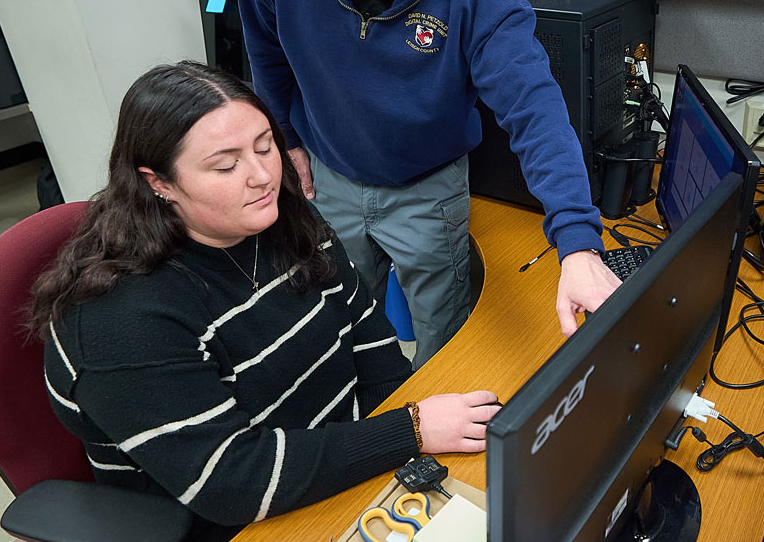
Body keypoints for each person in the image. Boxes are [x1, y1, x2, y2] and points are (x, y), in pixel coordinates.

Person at [29, 62, 500, 542]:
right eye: (226, 165)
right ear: (159, 183)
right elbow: (233, 482)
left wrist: (410, 465)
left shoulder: (289, 224)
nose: (262, 176)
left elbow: (372, 345)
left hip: (338, 477)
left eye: (265, 146)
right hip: (235, 522)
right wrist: (410, 430)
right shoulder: (118, 317)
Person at [239, 0, 621, 369]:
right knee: (346, 320)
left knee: (445, 342)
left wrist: (577, 242)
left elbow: (534, 103)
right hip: (327, 171)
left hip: (428, 185)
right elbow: (264, 44)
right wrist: (287, 137)